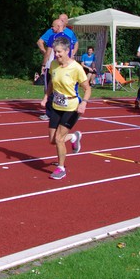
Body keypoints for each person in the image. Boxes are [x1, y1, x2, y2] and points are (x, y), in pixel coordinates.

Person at [39, 35, 90, 180]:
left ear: (67, 51)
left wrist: (84, 103)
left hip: (71, 107)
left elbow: (87, 88)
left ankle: (61, 168)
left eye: (59, 52)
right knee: (52, 140)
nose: (56, 54)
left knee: (59, 139)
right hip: (56, 106)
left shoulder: (76, 68)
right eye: (55, 51)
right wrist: (46, 97)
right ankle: (74, 137)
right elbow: (51, 83)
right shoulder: (54, 65)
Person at [36, 18, 74, 120]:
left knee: (49, 89)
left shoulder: (53, 37)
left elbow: (48, 52)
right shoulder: (68, 38)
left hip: (53, 66)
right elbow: (71, 53)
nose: (52, 28)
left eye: (53, 26)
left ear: (58, 26)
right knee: (63, 89)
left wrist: (44, 64)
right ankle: (64, 111)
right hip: (66, 67)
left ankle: (49, 113)